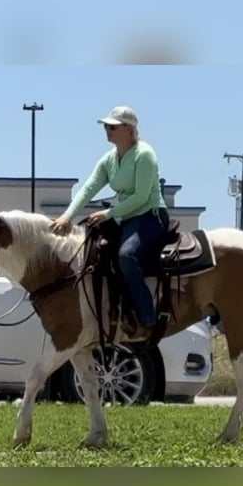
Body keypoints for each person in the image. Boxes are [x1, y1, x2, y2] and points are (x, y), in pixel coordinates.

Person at [50, 105, 169, 330]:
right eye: (106, 126)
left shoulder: (144, 154)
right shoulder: (109, 160)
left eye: (112, 126)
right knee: (93, 253)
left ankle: (147, 316)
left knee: (126, 255)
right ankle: (111, 311)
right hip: (125, 217)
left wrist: (108, 214)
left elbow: (142, 197)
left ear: (128, 128)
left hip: (150, 216)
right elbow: (88, 189)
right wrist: (67, 217)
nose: (107, 130)